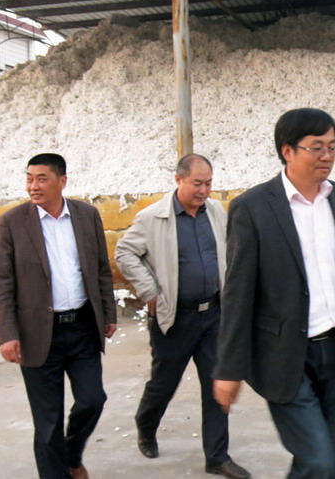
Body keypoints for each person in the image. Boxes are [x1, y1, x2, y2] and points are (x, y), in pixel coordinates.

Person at [213, 108, 335, 479]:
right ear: (287, 151)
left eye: (332, 146)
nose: (327, 155)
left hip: (334, 347)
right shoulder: (253, 208)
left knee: (326, 464)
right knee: (318, 461)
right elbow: (238, 294)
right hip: (282, 355)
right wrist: (229, 369)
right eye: (316, 147)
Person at [115, 154, 250, 479]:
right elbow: (124, 252)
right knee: (163, 384)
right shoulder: (153, 218)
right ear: (178, 180)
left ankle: (217, 457)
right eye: (197, 183)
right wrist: (150, 291)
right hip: (174, 319)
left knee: (216, 384)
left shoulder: (215, 211)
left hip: (213, 316)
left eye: (208, 183)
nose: (203, 190)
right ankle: (146, 425)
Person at [0, 153, 117, 479]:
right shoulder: (12, 222)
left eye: (42, 179)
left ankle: (71, 456)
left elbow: (101, 269)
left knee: (92, 399)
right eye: (29, 178)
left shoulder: (86, 215)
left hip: (82, 327)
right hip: (37, 333)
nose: (33, 186)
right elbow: (1, 283)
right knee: (48, 423)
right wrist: (6, 334)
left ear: (62, 181)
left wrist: (108, 312)